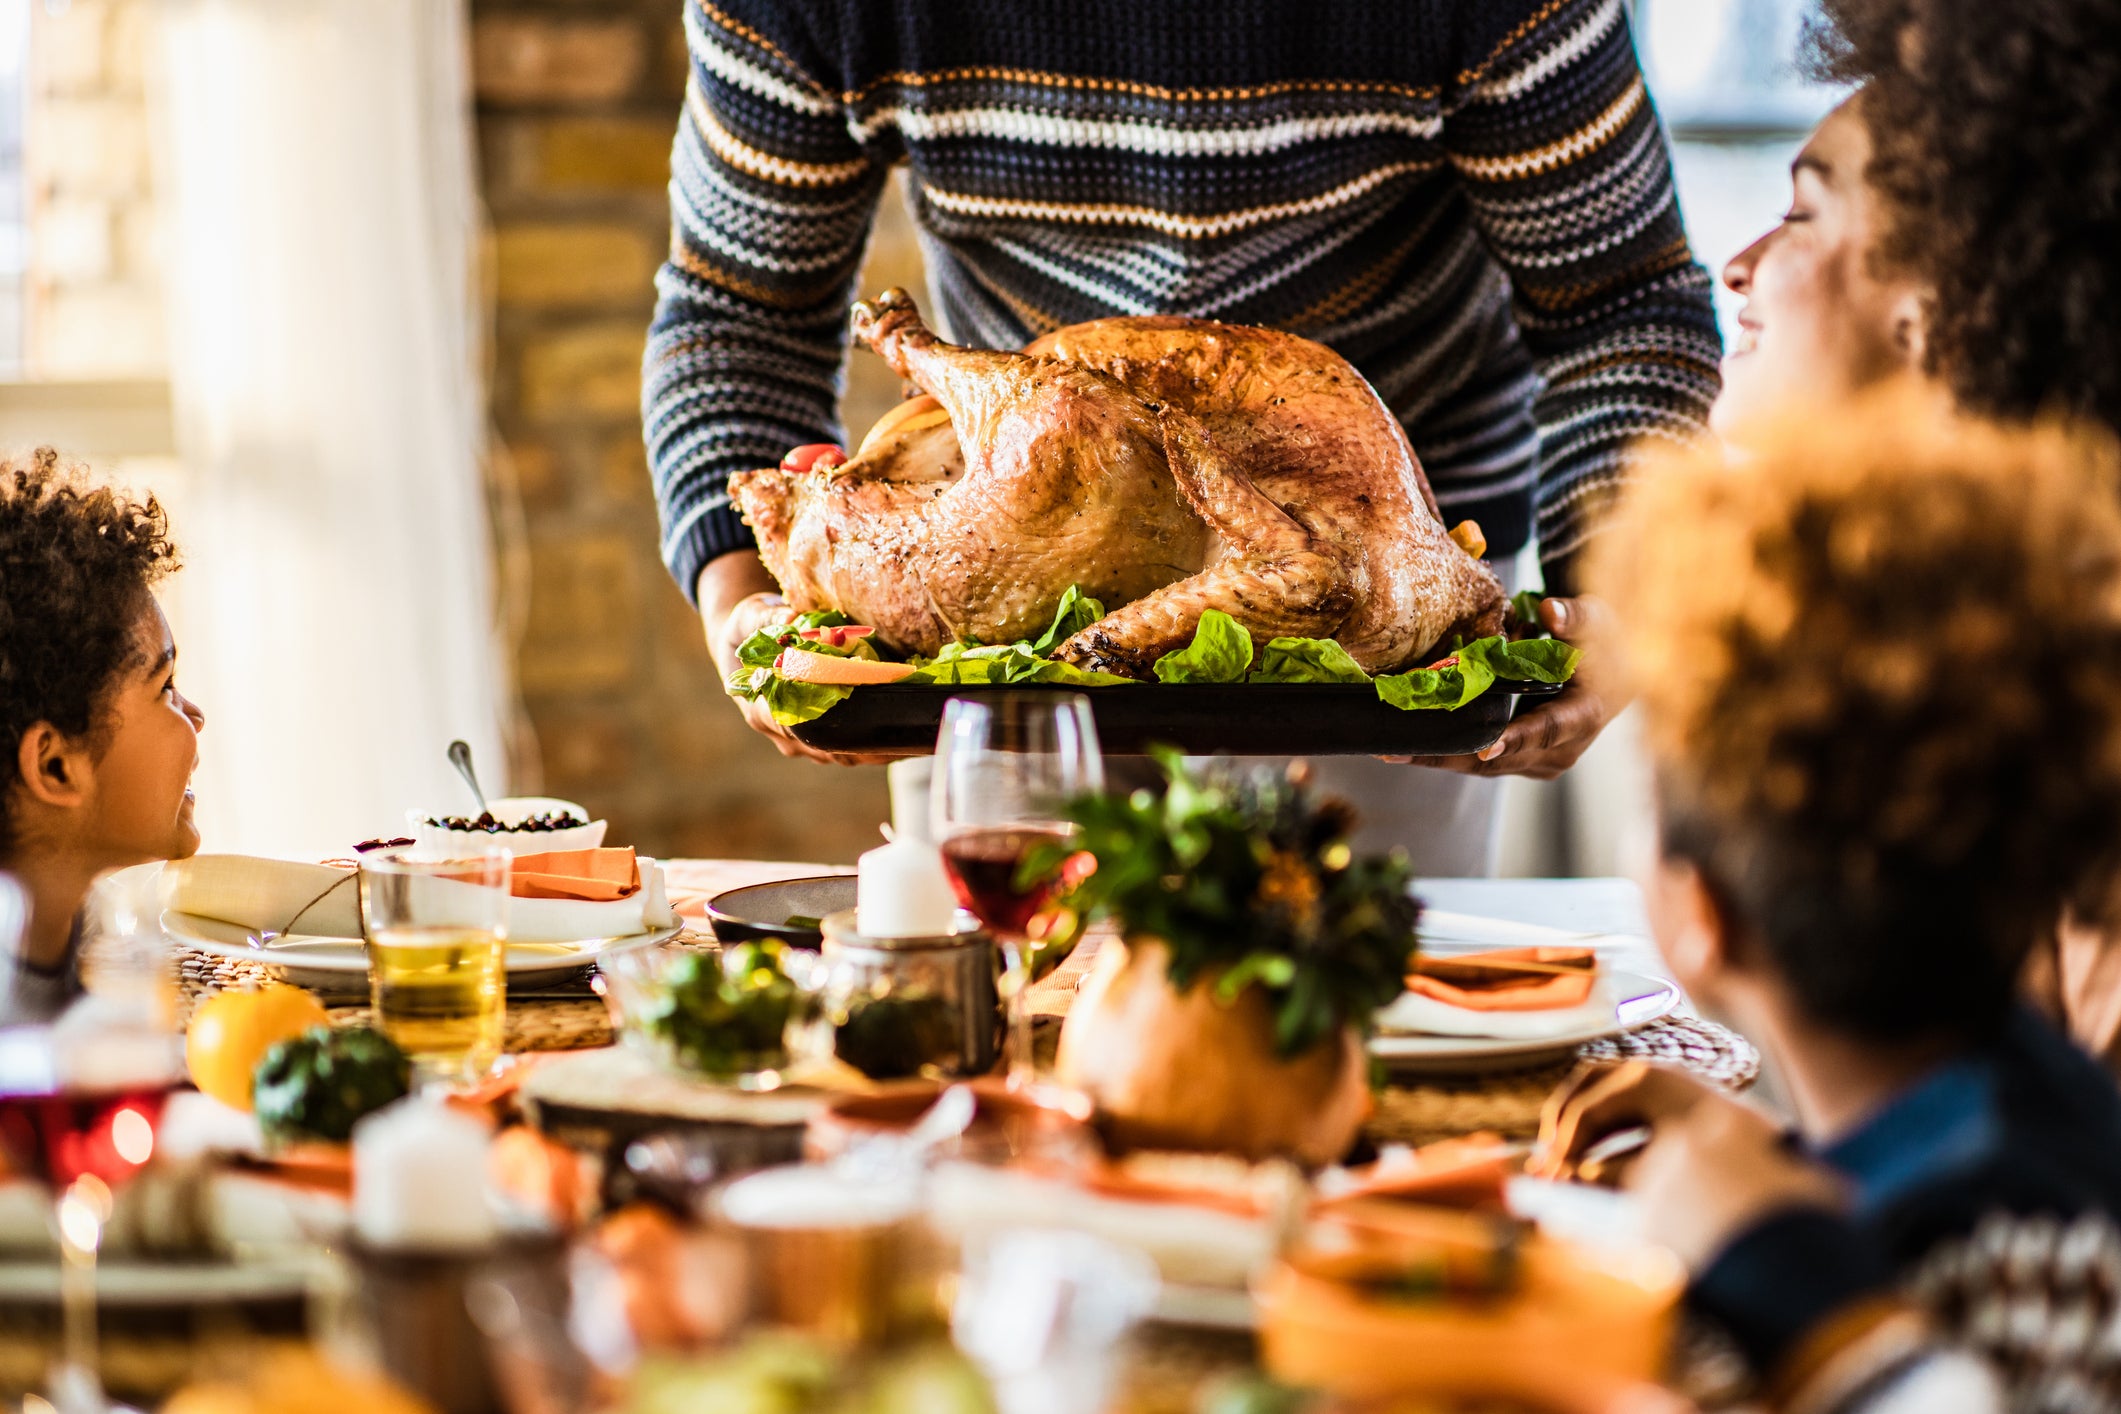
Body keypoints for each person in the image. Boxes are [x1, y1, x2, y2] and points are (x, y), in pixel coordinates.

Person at [644, 0, 1722, 871]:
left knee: (1367, 1034)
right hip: (1000, 580)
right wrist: (750, 613)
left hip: (1375, 598)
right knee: (1021, 1033)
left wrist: (1618, 595)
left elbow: (1621, 306)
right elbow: (739, 313)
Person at [1536, 402, 2121, 1413]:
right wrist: (1783, 1158)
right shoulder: (2054, 1108)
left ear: (1702, 914)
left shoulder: (2026, 1258)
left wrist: (1771, 1255)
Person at [0, 450, 204, 1022]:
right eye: (164, 686)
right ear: (57, 766)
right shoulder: (16, 1041)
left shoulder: (82, 939)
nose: (196, 714)